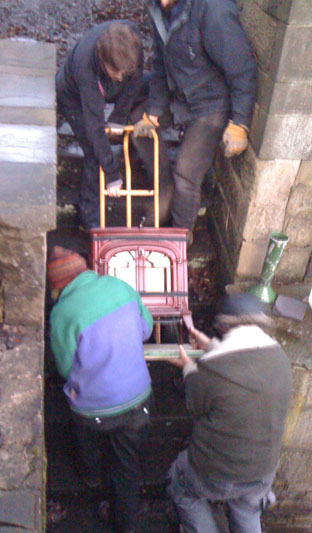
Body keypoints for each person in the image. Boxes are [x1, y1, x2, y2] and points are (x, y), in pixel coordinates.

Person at [164, 293, 292, 532]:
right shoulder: (280, 359)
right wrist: (210, 347)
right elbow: (242, 362)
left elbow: (195, 404)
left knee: (179, 481)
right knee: (247, 510)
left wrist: (189, 368)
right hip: (262, 470)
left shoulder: (212, 369)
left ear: (222, 326)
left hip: (215, 472)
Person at [48, 246, 154, 532]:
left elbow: (64, 368)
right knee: (127, 467)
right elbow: (146, 329)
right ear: (86, 271)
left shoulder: (61, 313)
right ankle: (127, 524)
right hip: (138, 402)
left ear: (57, 288)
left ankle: (91, 473)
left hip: (94, 413)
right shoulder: (120, 286)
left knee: (78, 417)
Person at [133, 0, 258, 241]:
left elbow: (243, 68)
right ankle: (164, 190)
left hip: (211, 103)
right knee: (138, 126)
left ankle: (180, 235)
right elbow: (160, 63)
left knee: (186, 171)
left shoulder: (213, 11)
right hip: (181, 94)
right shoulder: (158, 9)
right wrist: (153, 113)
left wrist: (240, 123)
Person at [56, 21, 145, 229]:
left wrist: (120, 117)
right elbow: (95, 128)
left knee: (148, 85)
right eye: (117, 72)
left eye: (124, 72)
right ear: (103, 59)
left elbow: (135, 78)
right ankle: (90, 220)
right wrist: (113, 174)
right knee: (93, 149)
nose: (121, 77)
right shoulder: (87, 66)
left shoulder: (133, 43)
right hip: (72, 95)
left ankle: (136, 148)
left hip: (108, 82)